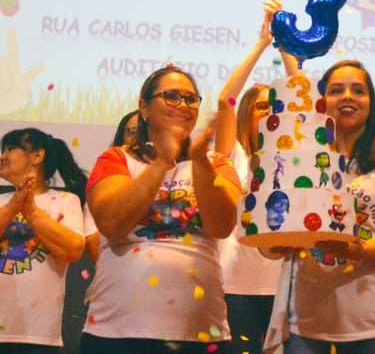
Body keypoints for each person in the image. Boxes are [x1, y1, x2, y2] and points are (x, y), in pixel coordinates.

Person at [263, 59, 375, 354]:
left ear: (370, 102)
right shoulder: (298, 157)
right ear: (321, 101)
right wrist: (275, 242)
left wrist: (361, 251)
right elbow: (269, 234)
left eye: (358, 91)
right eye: (336, 90)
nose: (348, 97)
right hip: (304, 324)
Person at [80, 64, 243, 354]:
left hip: (200, 334)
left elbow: (221, 226)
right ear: (144, 108)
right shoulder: (115, 159)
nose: (183, 105)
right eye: (171, 96)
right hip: (116, 331)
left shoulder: (215, 163)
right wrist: (161, 163)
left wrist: (200, 162)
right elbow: (111, 222)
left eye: (191, 99)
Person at [216, 0, 298, 354]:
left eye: (274, 106)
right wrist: (262, 43)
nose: (269, 112)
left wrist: (284, 43)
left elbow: (302, 95)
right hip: (236, 284)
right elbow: (225, 101)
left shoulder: (293, 157)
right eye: (262, 106)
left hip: (285, 285)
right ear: (248, 113)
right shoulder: (233, 154)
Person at [0, 126, 88, 350]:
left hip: (38, 333)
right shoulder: (2, 201)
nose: (2, 156)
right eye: (2, 150)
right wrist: (14, 204)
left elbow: (73, 250)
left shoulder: (65, 200)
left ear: (37, 156)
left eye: (10, 149)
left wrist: (31, 212)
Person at [84, 109, 140, 262]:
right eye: (133, 132)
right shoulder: (103, 183)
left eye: (146, 132)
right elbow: (94, 250)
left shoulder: (179, 171)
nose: (139, 140)